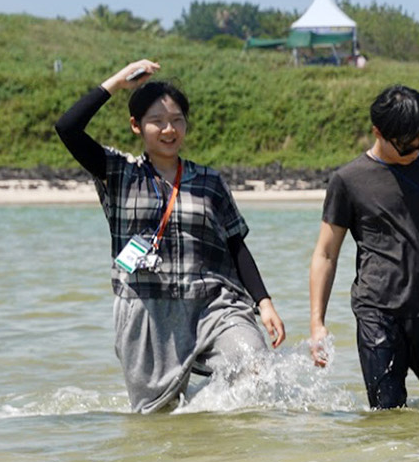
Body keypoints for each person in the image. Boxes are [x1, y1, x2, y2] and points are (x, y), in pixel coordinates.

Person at [53, 61, 287, 412]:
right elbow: (68, 127)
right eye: (157, 121)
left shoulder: (209, 181)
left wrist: (264, 302)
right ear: (136, 126)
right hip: (147, 309)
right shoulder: (118, 173)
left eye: (177, 120)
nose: (169, 129)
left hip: (214, 302)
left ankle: (229, 454)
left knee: (253, 362)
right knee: (156, 417)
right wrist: (117, 83)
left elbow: (236, 243)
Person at [307, 85, 419, 409]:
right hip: (378, 314)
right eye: (406, 145)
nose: (415, 150)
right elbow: (326, 254)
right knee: (387, 417)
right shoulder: (348, 179)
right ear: (378, 132)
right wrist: (317, 323)